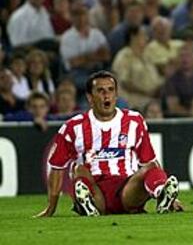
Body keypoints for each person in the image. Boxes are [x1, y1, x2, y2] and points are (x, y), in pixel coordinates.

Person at [35, 70, 182, 217]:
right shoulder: (73, 127)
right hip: (96, 189)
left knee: (150, 165)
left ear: (116, 95)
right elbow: (56, 166)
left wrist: (169, 195)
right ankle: (88, 201)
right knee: (78, 169)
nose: (107, 95)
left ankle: (162, 195)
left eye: (111, 90)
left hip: (127, 191)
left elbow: (149, 162)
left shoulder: (134, 121)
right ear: (90, 98)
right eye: (100, 91)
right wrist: (51, 207)